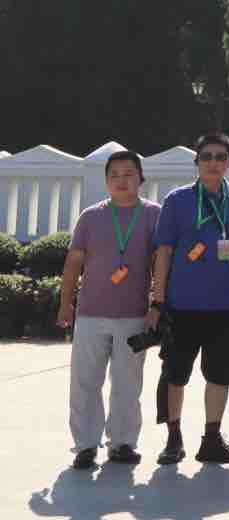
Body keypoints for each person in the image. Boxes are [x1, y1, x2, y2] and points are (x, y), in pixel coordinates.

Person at [149, 132, 229, 465]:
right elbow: (164, 252)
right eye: (207, 156)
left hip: (226, 305)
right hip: (182, 304)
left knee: (221, 374)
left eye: (220, 157)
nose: (213, 163)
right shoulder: (177, 200)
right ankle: (173, 438)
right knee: (175, 374)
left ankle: (212, 439)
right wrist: (157, 300)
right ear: (196, 162)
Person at [59, 149, 163, 469]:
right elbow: (74, 262)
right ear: (106, 181)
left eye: (128, 174)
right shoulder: (90, 216)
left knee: (127, 384)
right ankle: (85, 445)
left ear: (141, 178)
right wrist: (65, 303)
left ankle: (122, 443)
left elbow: (161, 264)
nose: (121, 180)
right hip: (91, 313)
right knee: (85, 382)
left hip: (134, 315)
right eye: (114, 175)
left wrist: (156, 305)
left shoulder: (154, 215)